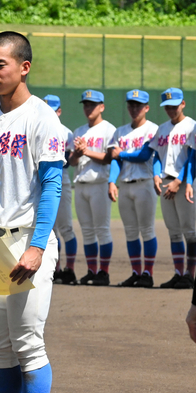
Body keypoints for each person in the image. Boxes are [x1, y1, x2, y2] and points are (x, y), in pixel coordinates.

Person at [0, 31, 64, 393]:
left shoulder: (43, 119)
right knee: (1, 348)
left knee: (28, 343)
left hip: (26, 241)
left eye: (0, 64)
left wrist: (38, 247)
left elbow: (52, 187)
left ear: (24, 68)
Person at [117, 88, 195, 289]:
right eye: (167, 106)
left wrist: (180, 181)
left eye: (174, 105)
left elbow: (193, 158)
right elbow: (157, 156)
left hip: (186, 183)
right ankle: (179, 273)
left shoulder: (191, 126)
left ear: (183, 104)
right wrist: (156, 175)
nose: (171, 109)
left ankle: (190, 274)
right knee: (174, 231)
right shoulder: (162, 129)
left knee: (190, 231)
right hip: (166, 183)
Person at [108, 90, 159, 288]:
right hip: (126, 186)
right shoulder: (120, 132)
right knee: (130, 232)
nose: (134, 108)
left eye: (138, 105)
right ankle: (136, 273)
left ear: (146, 108)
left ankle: (148, 273)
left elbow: (144, 155)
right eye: (131, 105)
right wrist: (112, 181)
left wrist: (122, 153)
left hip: (144, 183)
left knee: (147, 230)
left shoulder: (152, 129)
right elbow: (115, 160)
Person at [68, 90, 116, 286]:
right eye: (86, 104)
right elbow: (71, 161)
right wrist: (78, 154)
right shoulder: (79, 131)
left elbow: (110, 157)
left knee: (102, 230)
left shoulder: (109, 130)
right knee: (87, 231)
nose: (88, 108)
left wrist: (86, 150)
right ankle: (91, 270)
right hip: (80, 184)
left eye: (92, 105)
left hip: (99, 184)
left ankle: (103, 272)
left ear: (102, 107)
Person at [44, 94, 78, 285]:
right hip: (42, 183)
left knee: (66, 228)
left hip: (62, 181)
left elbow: (71, 161)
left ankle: (70, 270)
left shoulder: (67, 133)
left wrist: (78, 155)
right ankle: (55, 269)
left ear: (59, 111)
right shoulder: (37, 129)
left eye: (53, 109)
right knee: (51, 229)